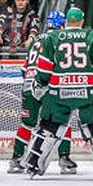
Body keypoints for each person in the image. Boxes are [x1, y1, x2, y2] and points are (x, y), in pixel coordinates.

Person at [23, 6, 93, 178]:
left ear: (67, 21)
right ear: (82, 21)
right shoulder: (92, 36)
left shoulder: (53, 37)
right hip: (87, 91)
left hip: (58, 92)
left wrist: (40, 84)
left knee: (48, 127)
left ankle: (33, 163)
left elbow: (44, 67)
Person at [10, 10, 70, 175]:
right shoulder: (60, 38)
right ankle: (64, 158)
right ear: (62, 24)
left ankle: (16, 158)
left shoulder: (36, 40)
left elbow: (24, 68)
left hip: (29, 85)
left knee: (26, 124)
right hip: (49, 86)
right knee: (62, 120)